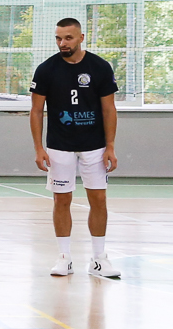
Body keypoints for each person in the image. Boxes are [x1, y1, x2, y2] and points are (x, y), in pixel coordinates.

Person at [29, 17, 120, 279]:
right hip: (60, 146)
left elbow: (109, 109)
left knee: (98, 199)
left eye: (68, 38)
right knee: (61, 199)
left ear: (81, 37)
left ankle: (99, 259)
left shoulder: (100, 67)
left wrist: (110, 146)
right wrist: (39, 147)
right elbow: (36, 111)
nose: (62, 43)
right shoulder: (46, 69)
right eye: (58, 38)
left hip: (94, 146)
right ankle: (64, 257)